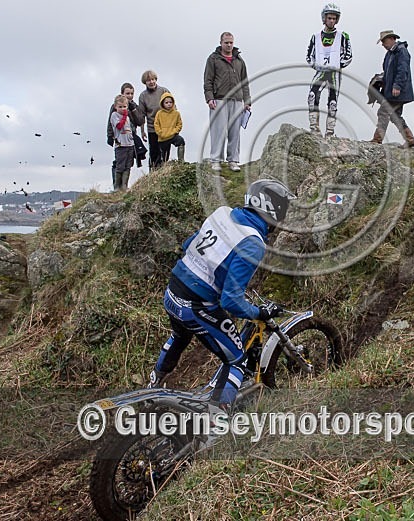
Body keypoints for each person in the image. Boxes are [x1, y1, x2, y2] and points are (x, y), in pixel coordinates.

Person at [147, 179, 297, 412]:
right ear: (271, 210)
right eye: (282, 210)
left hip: (172, 291)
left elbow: (189, 244)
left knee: (179, 336)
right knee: (237, 360)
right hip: (195, 306)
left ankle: (153, 384)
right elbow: (230, 301)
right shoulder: (253, 243)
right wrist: (257, 312)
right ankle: (217, 420)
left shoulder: (222, 213)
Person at [204, 32, 251, 172]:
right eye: (226, 42)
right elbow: (208, 81)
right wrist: (209, 97)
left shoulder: (239, 60)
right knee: (218, 131)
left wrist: (247, 101)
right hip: (219, 99)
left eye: (231, 42)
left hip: (237, 100)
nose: (229, 45)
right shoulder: (213, 59)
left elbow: (245, 82)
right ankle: (216, 160)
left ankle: (233, 160)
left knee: (235, 131)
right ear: (221, 43)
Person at [306, 3, 352, 137]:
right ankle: (314, 128)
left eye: (334, 18)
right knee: (312, 96)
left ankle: (330, 132)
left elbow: (348, 55)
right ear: (324, 18)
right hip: (320, 72)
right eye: (329, 18)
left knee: (332, 102)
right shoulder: (315, 36)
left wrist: (337, 64)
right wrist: (316, 65)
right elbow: (309, 55)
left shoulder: (343, 36)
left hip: (334, 73)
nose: (332, 21)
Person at [370, 30, 414, 148]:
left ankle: (377, 139)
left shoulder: (401, 51)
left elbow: (403, 70)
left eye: (384, 41)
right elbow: (388, 72)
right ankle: (410, 139)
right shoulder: (391, 53)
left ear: (391, 39)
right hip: (393, 91)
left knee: (383, 112)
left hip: (397, 91)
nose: (382, 44)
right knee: (395, 115)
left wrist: (397, 86)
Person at [107, 83, 146, 188]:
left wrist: (133, 109)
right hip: (119, 137)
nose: (129, 96)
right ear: (122, 93)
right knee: (119, 162)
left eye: (131, 93)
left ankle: (124, 185)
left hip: (131, 137)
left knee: (129, 163)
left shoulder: (133, 106)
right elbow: (111, 122)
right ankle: (117, 186)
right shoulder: (116, 106)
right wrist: (110, 136)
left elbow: (141, 120)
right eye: (127, 93)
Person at [138, 70, 171, 169]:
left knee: (165, 151)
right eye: (148, 80)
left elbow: (173, 108)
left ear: (156, 80)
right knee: (154, 152)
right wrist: (143, 131)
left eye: (153, 79)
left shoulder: (164, 91)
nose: (151, 82)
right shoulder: (143, 96)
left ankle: (164, 172)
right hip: (152, 128)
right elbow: (142, 115)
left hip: (165, 127)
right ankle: (153, 173)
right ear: (145, 82)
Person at [110, 94, 135, 191]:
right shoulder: (114, 115)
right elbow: (119, 126)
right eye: (120, 107)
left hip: (129, 144)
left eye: (124, 107)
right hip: (120, 145)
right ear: (115, 107)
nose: (122, 109)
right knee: (120, 166)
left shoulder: (128, 118)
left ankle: (124, 185)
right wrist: (124, 116)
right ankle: (117, 187)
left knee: (128, 166)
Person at [154, 92, 186, 164]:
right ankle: (163, 168)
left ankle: (181, 161)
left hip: (173, 135)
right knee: (165, 156)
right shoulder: (159, 113)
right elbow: (156, 124)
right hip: (163, 138)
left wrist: (175, 131)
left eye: (170, 102)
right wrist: (160, 133)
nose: (169, 104)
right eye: (166, 102)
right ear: (162, 103)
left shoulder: (176, 113)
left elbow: (179, 124)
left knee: (181, 141)